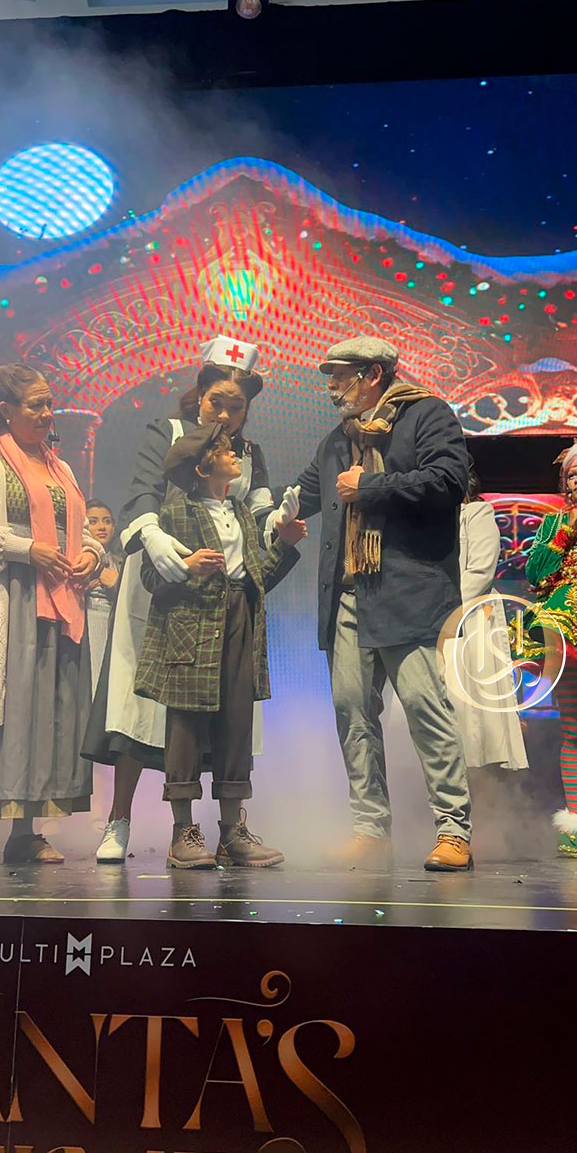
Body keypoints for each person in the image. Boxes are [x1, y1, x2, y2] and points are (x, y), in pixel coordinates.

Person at [83, 335, 299, 864]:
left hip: (227, 593)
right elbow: (142, 493)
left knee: (229, 711)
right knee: (143, 710)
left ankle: (230, 826)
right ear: (199, 393)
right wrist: (154, 538)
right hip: (165, 588)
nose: (225, 415)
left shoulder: (247, 453)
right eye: (216, 402)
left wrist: (278, 524)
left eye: (236, 407)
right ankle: (121, 820)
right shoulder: (170, 433)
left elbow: (258, 513)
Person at [295, 335, 473, 872]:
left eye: (340, 375)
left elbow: (449, 480)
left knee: (424, 706)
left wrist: (371, 486)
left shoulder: (426, 415)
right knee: (352, 709)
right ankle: (370, 829)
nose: (331, 386)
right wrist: (275, 510)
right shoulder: (336, 440)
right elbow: (304, 493)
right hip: (349, 595)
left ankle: (454, 830)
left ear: (373, 375)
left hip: (407, 593)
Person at [0, 364, 103, 866]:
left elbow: (76, 529)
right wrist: (25, 549)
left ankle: (24, 832)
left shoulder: (58, 467)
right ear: (6, 410)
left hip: (56, 606)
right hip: (4, 602)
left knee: (42, 715)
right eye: (36, 405)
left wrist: (91, 553)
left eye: (49, 403)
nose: (48, 413)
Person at [135, 424, 305, 868]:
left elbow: (258, 578)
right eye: (224, 450)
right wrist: (187, 566)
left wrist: (284, 545)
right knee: (186, 727)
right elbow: (150, 577)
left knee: (236, 722)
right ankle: (183, 832)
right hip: (191, 625)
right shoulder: (176, 513)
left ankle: (232, 831)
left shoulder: (240, 513)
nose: (234, 455)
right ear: (201, 467)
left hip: (238, 618)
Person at [521, 440, 577, 858]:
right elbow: (535, 573)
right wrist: (567, 532)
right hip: (564, 631)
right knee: (573, 729)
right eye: (572, 474)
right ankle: (576, 826)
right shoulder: (553, 524)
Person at [443, 461, 528, 772]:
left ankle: (479, 788)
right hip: (430, 622)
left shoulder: (476, 513)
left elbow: (480, 571)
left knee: (470, 711)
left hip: (468, 619)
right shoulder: (427, 522)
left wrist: (442, 610)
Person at [84, 499, 121, 695]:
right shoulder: (76, 561)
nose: (101, 527)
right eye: (93, 521)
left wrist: (116, 586)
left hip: (114, 628)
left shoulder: (122, 563)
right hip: (85, 626)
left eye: (107, 521)